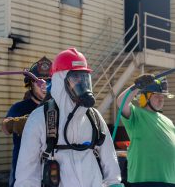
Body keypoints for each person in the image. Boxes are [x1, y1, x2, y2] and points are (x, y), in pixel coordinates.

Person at [14, 48, 123, 187]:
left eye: (84, 78)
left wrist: (115, 183)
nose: (81, 84)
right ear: (61, 81)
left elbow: (109, 158)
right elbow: (27, 171)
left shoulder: (93, 117)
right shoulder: (40, 118)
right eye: (75, 78)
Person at [117, 75, 175, 187]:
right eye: (157, 95)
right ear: (144, 98)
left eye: (162, 96)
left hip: (169, 181)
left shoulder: (168, 121)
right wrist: (137, 86)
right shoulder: (136, 114)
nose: (161, 99)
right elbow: (121, 102)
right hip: (143, 181)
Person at [2, 56, 52, 187]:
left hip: (51, 171)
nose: (45, 86)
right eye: (39, 82)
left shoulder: (59, 108)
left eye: (49, 81)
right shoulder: (19, 108)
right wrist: (20, 123)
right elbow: (5, 128)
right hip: (24, 170)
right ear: (30, 84)